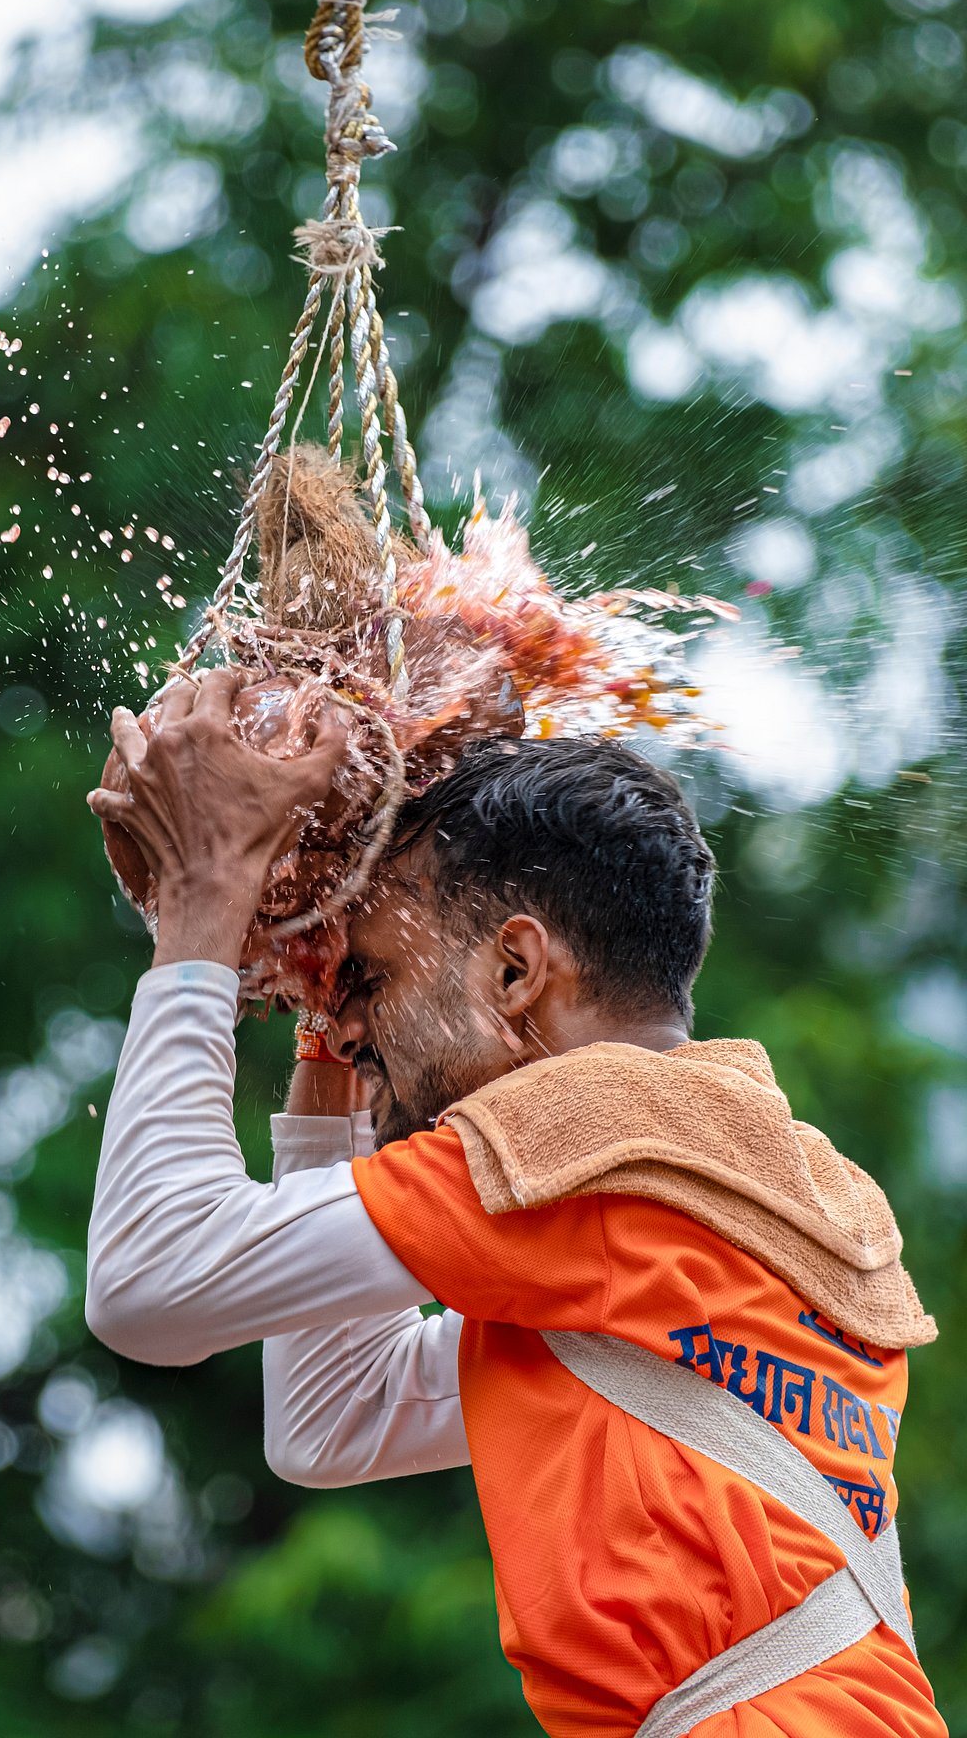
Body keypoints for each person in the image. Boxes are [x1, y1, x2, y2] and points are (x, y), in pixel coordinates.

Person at [85, 669, 945, 1737]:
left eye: (379, 978)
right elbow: (332, 1419)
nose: (360, 1024)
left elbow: (145, 1285)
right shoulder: (741, 1171)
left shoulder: (583, 1140)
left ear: (515, 971)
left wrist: (206, 904)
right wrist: (325, 1046)